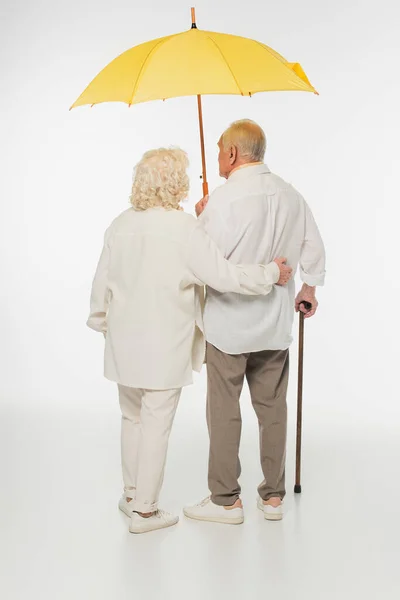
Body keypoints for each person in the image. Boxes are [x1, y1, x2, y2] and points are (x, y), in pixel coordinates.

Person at [86, 147, 293, 534]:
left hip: (122, 343)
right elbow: (225, 276)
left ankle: (132, 496)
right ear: (176, 183)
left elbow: (101, 288)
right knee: (156, 423)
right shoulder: (184, 230)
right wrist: (269, 272)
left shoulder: (119, 225)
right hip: (165, 345)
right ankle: (146, 513)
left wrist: (101, 323)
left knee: (131, 417)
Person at [184, 120, 326, 525]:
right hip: (274, 323)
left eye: (219, 151)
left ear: (231, 154)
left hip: (229, 325)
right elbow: (314, 249)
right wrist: (309, 290)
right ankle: (274, 497)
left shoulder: (223, 202)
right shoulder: (291, 194)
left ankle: (226, 499)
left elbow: (204, 264)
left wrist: (201, 218)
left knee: (224, 410)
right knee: (273, 408)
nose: (217, 159)